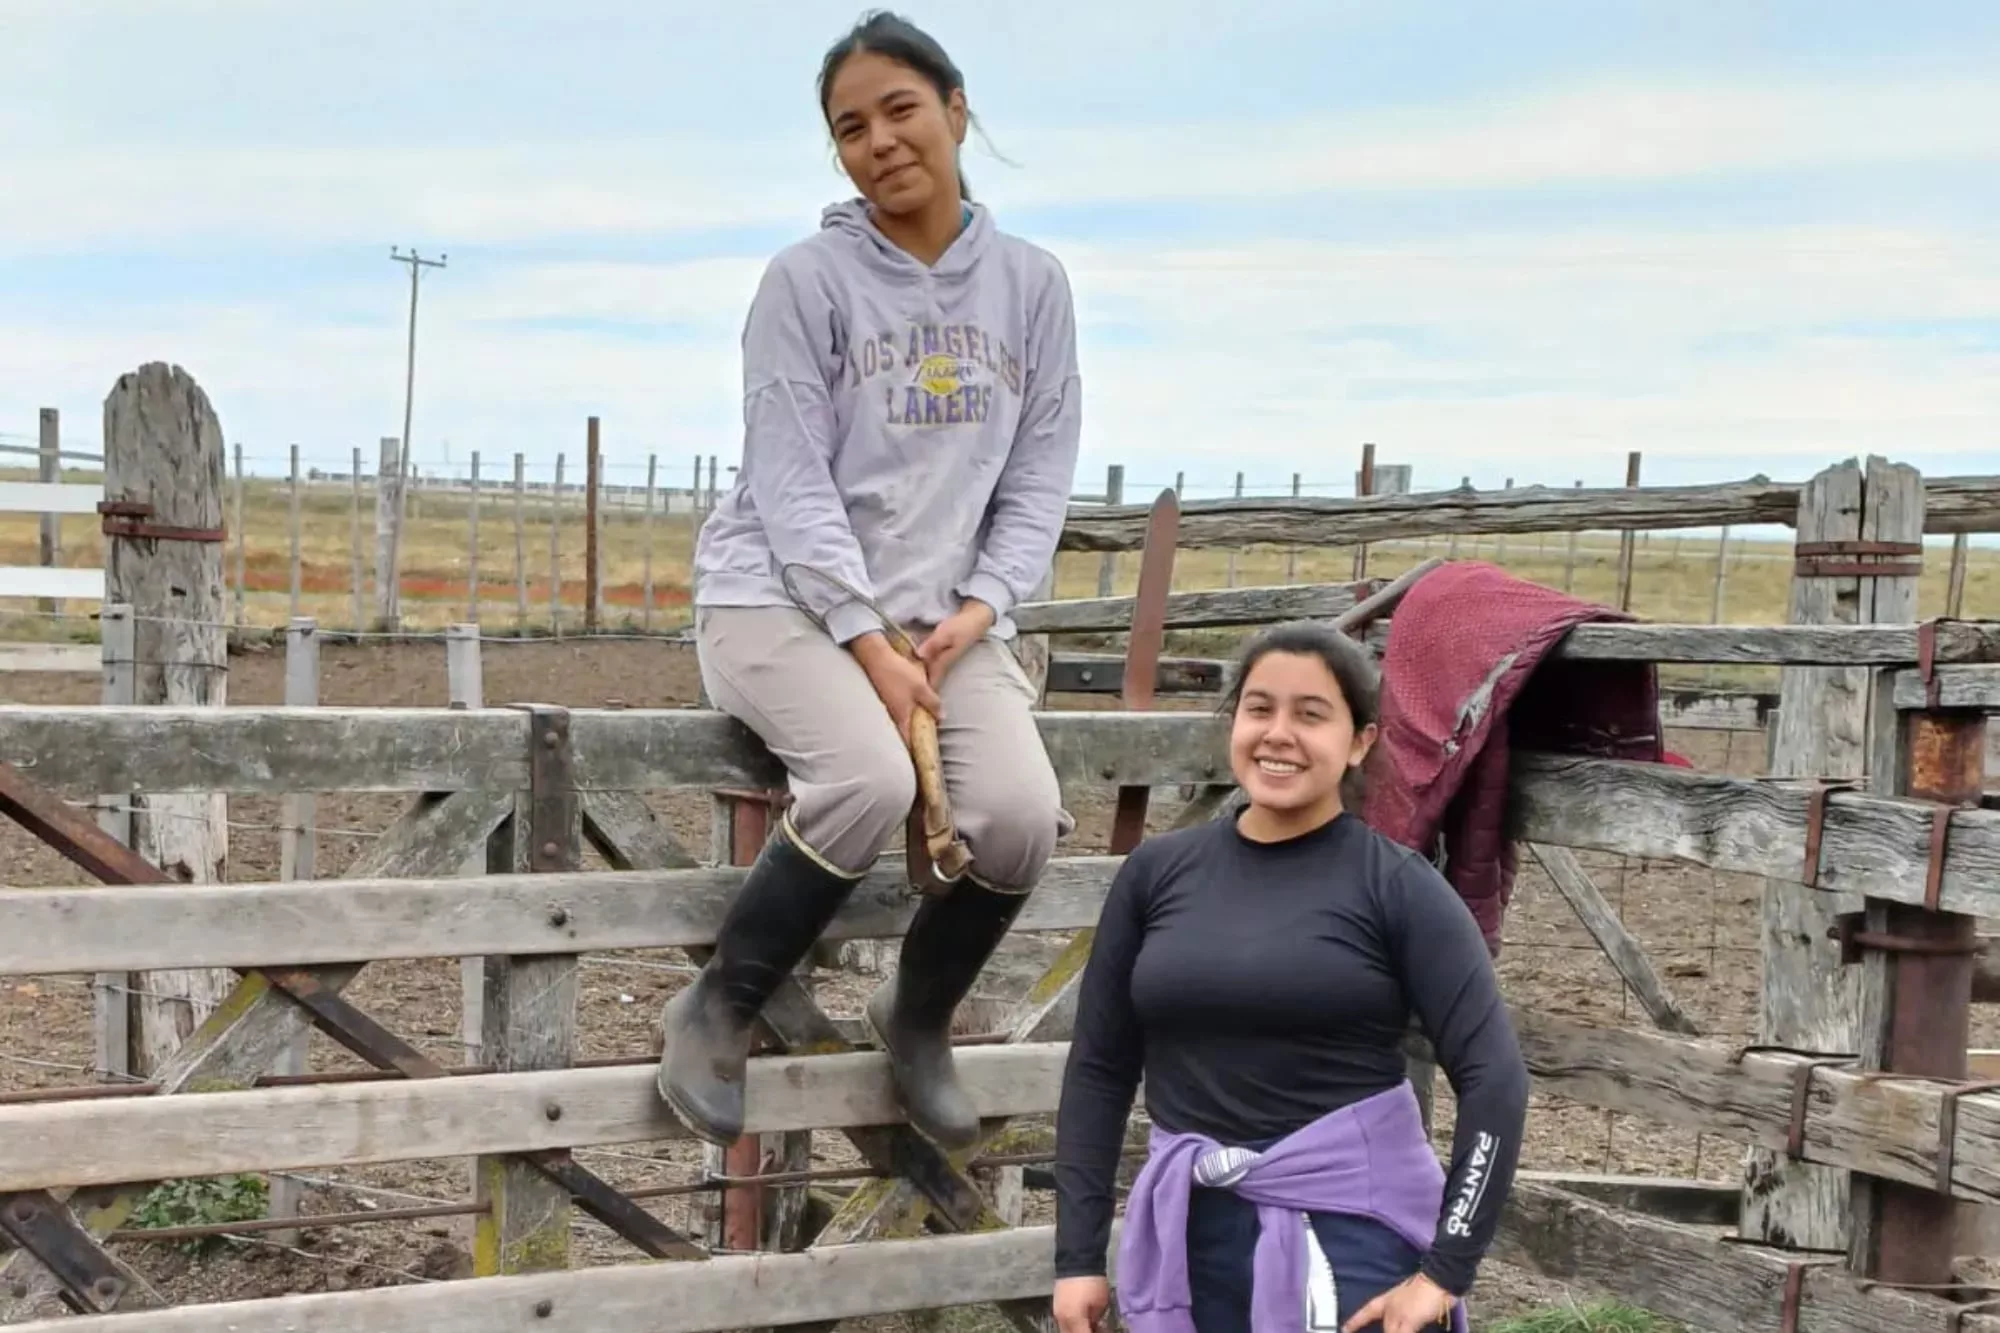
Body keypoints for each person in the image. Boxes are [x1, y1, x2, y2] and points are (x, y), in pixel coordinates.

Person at [658, 9, 1082, 1156]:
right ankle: (719, 1006)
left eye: (900, 109)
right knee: (862, 778)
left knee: (1018, 820)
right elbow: (788, 481)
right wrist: (866, 640)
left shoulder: (1034, 289)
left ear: (956, 110)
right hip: (779, 600)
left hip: (947, 618)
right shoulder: (805, 283)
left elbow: (1040, 472)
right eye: (850, 127)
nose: (879, 140)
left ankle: (917, 1014)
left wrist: (980, 608)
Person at [1050, 621, 1531, 1333]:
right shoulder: (1157, 874)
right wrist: (1078, 1256)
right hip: (1191, 1238)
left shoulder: (1397, 887)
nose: (1279, 733)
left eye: (1311, 714)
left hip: (1353, 1243)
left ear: (1361, 741)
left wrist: (1445, 1270)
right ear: (1234, 722)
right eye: (1259, 708)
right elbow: (1098, 1068)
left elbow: (1495, 1078)